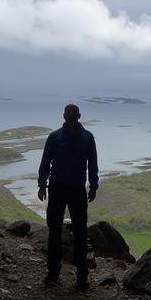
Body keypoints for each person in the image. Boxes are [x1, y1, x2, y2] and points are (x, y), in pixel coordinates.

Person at [37, 103, 98, 290]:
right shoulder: (54, 137)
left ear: (79, 115)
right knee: (54, 231)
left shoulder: (88, 137)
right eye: (68, 112)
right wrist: (42, 185)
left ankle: (82, 276)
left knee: (80, 232)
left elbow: (93, 163)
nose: (71, 115)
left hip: (77, 189)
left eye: (74, 112)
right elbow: (46, 162)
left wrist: (94, 185)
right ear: (64, 115)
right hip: (57, 188)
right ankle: (53, 273)